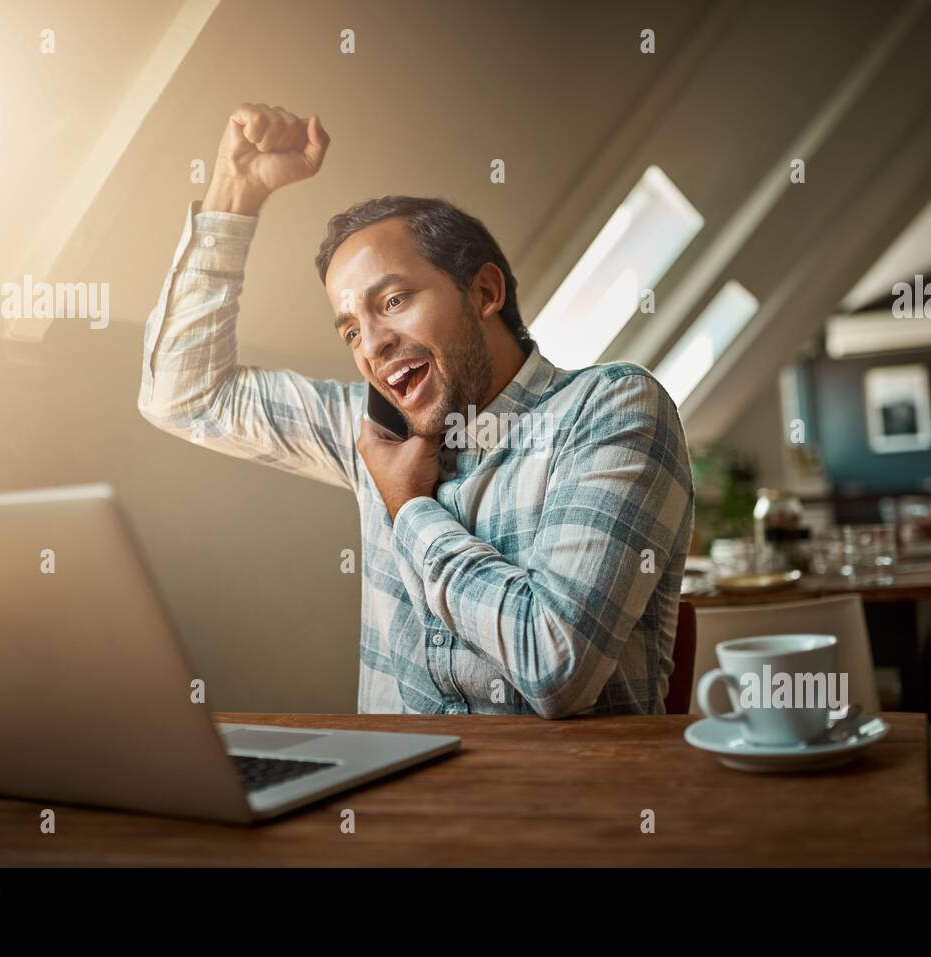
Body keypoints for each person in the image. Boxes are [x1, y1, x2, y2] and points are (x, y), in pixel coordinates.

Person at [138, 103, 694, 717]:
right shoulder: (372, 429)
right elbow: (184, 395)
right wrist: (233, 195)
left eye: (394, 300)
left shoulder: (611, 410)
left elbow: (555, 666)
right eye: (350, 330)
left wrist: (409, 509)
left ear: (484, 292)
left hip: (557, 809)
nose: (372, 345)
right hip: (388, 807)